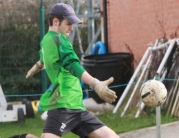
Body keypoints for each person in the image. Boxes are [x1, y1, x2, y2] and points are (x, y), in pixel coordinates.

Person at [11, 3, 119, 138]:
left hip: (78, 108)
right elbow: (72, 65)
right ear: (56, 21)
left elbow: (44, 58)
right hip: (62, 106)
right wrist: (95, 84)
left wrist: (37, 66)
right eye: (68, 23)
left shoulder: (46, 40)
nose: (71, 28)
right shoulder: (60, 40)